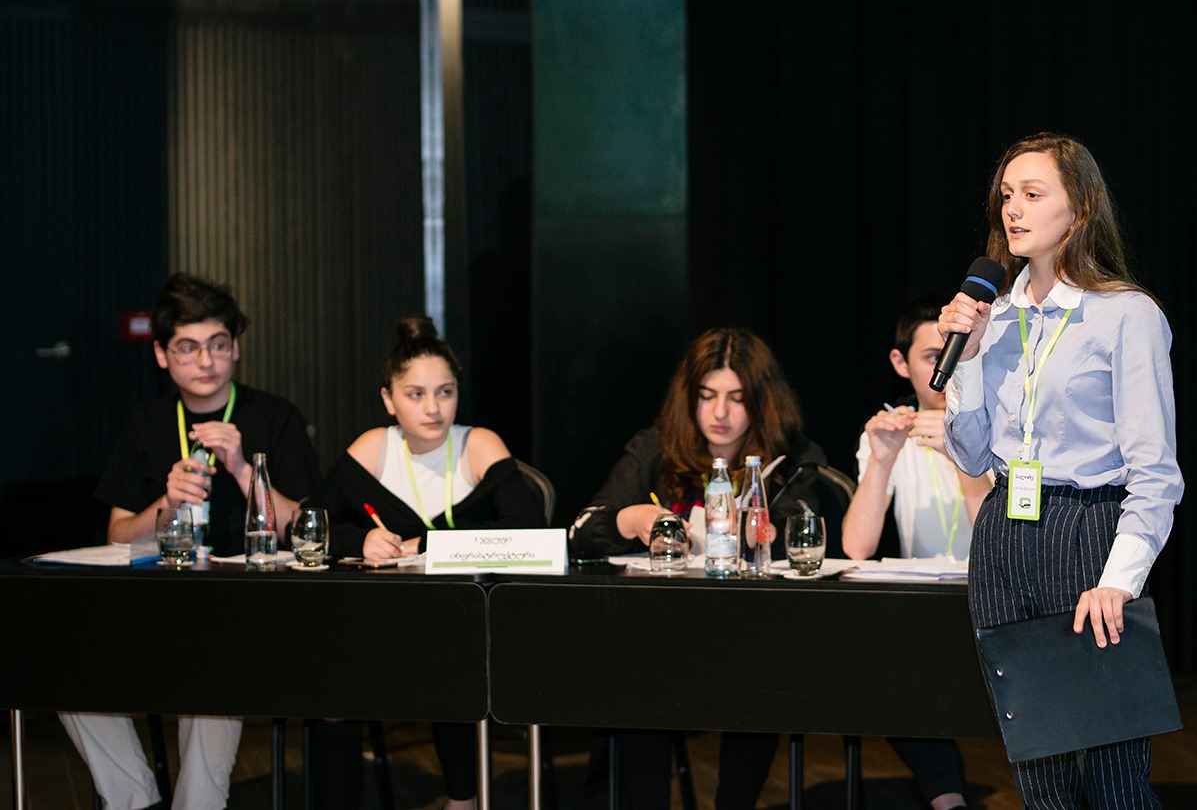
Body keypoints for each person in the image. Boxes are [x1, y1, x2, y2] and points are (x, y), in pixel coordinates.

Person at [938, 132, 1183, 809]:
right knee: (1039, 769)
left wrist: (1120, 579)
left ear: (1079, 208)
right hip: (1003, 532)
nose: (1013, 209)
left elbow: (1156, 472)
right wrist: (967, 358)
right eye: (1006, 196)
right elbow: (970, 455)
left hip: (1086, 531)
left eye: (1032, 193)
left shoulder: (1125, 314)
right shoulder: (995, 315)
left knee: (1110, 770)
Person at [61, 272, 322, 810]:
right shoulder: (147, 423)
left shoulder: (273, 417)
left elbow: (306, 531)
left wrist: (243, 469)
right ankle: (134, 801)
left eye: (218, 345)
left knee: (213, 664)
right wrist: (166, 503)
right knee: (63, 666)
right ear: (161, 355)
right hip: (159, 608)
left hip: (249, 611)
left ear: (236, 348)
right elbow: (117, 536)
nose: (206, 361)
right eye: (188, 347)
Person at [569, 326, 827, 810]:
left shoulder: (791, 459)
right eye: (707, 396)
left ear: (762, 402)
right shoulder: (655, 448)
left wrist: (759, 530)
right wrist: (632, 519)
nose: (720, 413)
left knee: (762, 671)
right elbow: (581, 532)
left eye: (737, 398)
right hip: (658, 637)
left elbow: (798, 538)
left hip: (749, 641)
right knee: (634, 669)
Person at [306, 315, 545, 810]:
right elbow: (309, 526)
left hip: (470, 624)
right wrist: (360, 540)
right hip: (385, 625)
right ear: (388, 399)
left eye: (445, 392)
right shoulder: (373, 448)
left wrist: (430, 546)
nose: (433, 408)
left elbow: (528, 530)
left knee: (451, 657)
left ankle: (463, 800)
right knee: (330, 683)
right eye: (415, 395)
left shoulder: (478, 444)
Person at [841, 294, 993, 810]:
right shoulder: (892, 430)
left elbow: (996, 542)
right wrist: (881, 460)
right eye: (932, 356)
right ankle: (948, 800)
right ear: (900, 363)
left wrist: (964, 458)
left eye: (956, 350)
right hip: (924, 612)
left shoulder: (1000, 423)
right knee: (876, 672)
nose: (945, 367)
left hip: (993, 601)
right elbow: (856, 547)